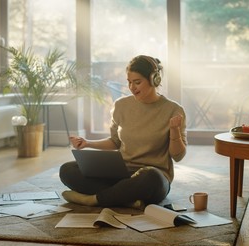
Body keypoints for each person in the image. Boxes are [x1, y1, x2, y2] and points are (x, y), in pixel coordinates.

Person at [59, 55, 187, 209]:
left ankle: (93, 199)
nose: (132, 87)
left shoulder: (173, 110)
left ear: (154, 80)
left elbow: (178, 156)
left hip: (152, 177)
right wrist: (87, 143)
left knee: (151, 178)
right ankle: (125, 198)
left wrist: (174, 131)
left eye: (137, 82)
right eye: (129, 82)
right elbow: (115, 142)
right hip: (121, 173)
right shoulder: (121, 105)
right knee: (67, 170)